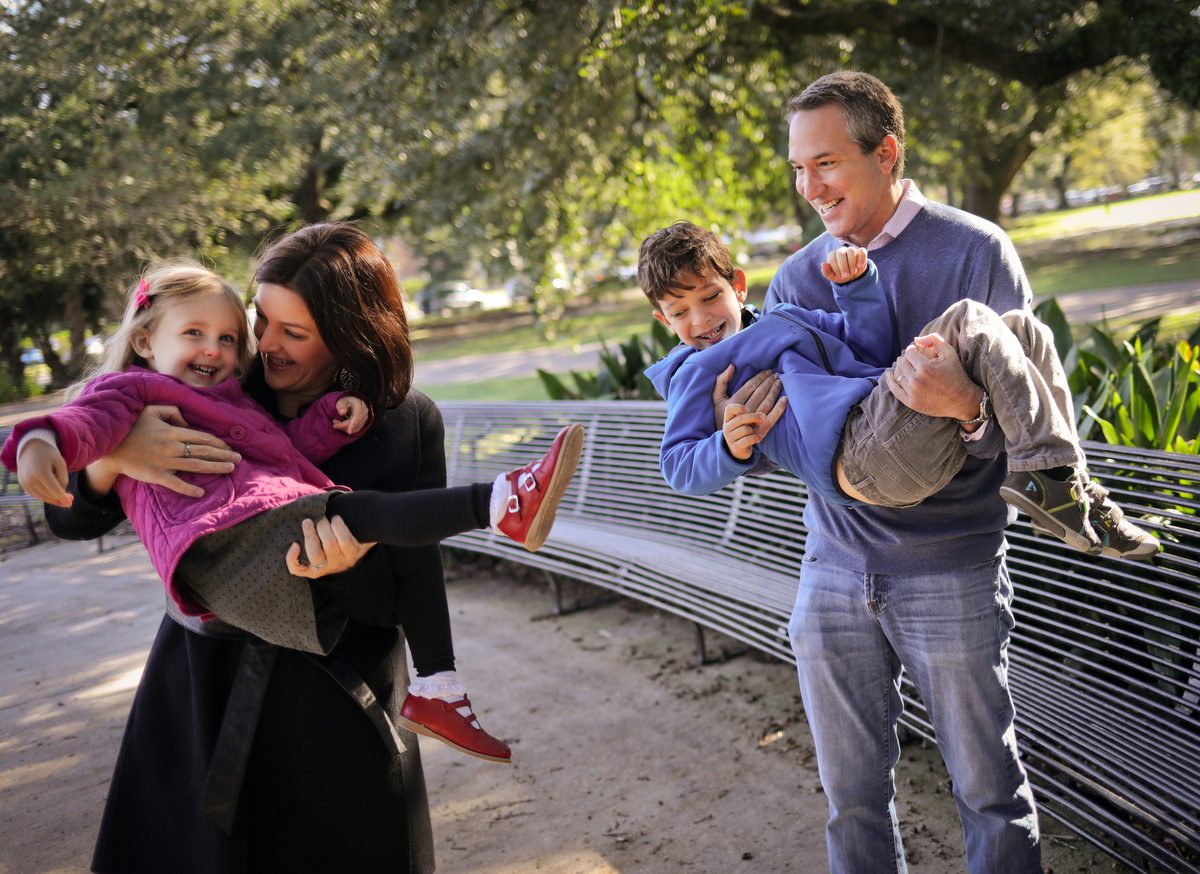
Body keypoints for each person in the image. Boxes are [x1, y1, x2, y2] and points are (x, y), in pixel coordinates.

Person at [717, 71, 1149, 873]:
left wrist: (968, 411)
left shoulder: (976, 250)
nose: (810, 188)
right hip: (835, 569)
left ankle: (1063, 491)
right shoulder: (798, 278)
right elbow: (806, 444)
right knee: (850, 802)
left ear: (886, 153)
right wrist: (745, 440)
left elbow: (1029, 410)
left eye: (827, 164)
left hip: (949, 568)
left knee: (989, 792)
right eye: (798, 169)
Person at [39, 223, 496, 872]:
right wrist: (114, 460)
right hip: (205, 684)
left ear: (351, 335)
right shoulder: (210, 383)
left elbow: (410, 578)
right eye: (262, 319)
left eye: (296, 332)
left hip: (339, 702)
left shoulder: (405, 420)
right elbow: (69, 522)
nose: (265, 345)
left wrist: (342, 574)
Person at [4, 262, 586, 765]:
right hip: (221, 548)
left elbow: (279, 452)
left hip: (279, 565)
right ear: (146, 341)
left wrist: (333, 412)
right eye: (200, 332)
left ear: (343, 334)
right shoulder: (132, 393)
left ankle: (440, 684)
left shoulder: (242, 396)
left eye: (233, 337)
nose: (224, 349)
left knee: (368, 519)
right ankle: (504, 502)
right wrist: (59, 449)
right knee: (360, 512)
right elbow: (76, 427)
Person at [639, 221, 1158, 559]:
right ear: (663, 320)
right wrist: (727, 446)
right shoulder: (698, 374)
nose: (702, 320)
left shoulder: (786, 318)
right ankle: (1043, 479)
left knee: (1023, 329)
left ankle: (1076, 492)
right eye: (680, 313)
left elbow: (870, 345)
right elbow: (677, 466)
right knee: (970, 319)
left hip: (892, 425)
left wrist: (857, 288)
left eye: (710, 297)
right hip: (859, 456)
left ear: (739, 286)